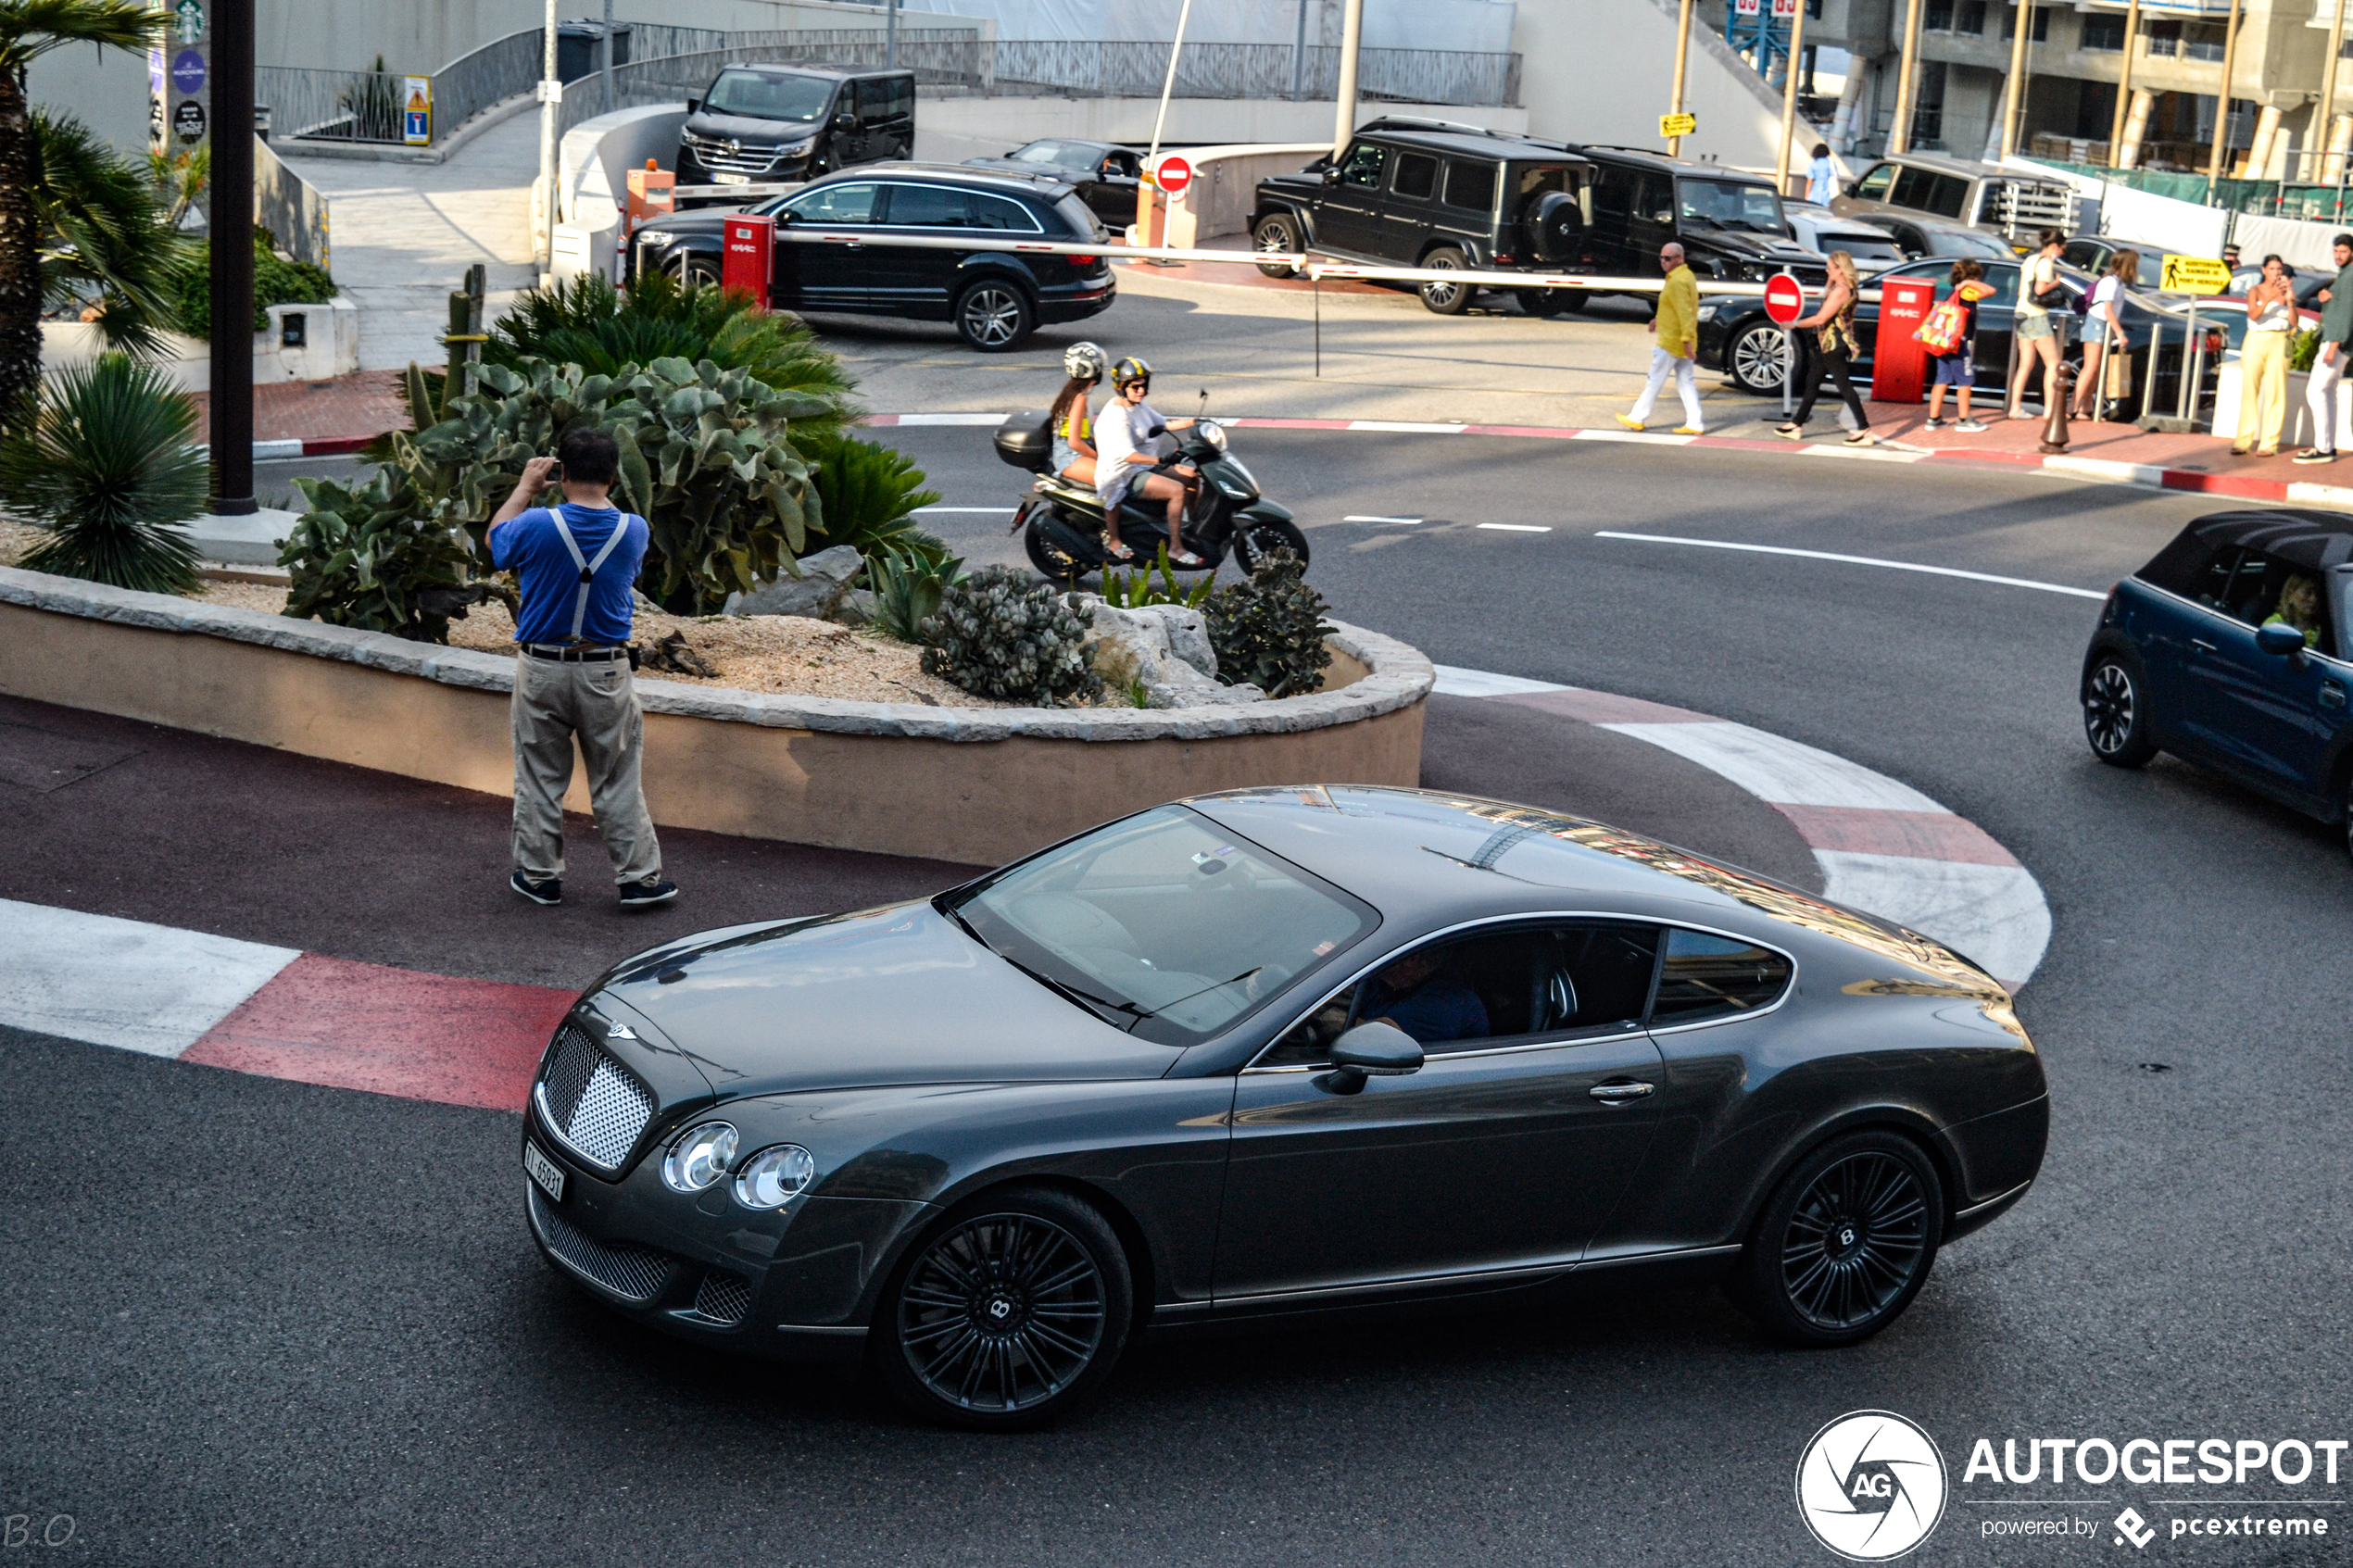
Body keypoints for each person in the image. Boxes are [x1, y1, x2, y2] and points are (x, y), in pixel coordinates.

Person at [487, 427, 675, 909]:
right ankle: (638, 879)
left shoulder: (535, 525)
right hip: (606, 668)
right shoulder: (634, 529)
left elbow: (496, 543)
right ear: (613, 476)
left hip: (543, 665)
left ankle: (540, 876)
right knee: (616, 775)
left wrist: (527, 488)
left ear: (561, 473)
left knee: (539, 774)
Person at [1093, 355, 1202, 566]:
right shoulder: (1118, 416)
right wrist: (1161, 459)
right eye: (1136, 387)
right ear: (1122, 387)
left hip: (1143, 467)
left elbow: (1163, 424)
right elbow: (1128, 455)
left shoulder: (1137, 405)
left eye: (1144, 385)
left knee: (1192, 477)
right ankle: (1175, 548)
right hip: (1123, 474)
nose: (1141, 391)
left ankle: (1193, 530)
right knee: (1176, 490)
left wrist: (1195, 422)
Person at [1776, 250, 1875, 445]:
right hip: (1830, 342)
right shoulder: (1847, 287)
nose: (1826, 270)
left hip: (1833, 344)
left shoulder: (1840, 291)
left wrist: (1793, 323)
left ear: (1839, 269)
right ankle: (1796, 424)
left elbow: (1821, 318)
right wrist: (1830, 282)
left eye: (1830, 267)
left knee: (1844, 386)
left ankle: (1863, 429)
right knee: (1813, 381)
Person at [1617, 242, 1705, 435]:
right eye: (1661, 258)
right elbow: (1675, 308)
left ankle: (1636, 418)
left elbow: (1685, 313)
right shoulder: (1685, 276)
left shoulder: (1677, 282)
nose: (1663, 262)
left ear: (1679, 258)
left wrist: (1686, 340)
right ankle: (1695, 422)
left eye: (1668, 258)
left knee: (1654, 381)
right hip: (1678, 340)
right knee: (1685, 381)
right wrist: (1658, 319)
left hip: (1672, 342)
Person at [2296, 233, 2353, 465]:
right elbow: (2340, 306)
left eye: (2343, 251)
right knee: (2326, 392)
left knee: (2316, 391)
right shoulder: (2344, 276)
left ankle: (2324, 448)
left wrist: (2334, 344)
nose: (2338, 255)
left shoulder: (2349, 277)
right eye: (2336, 251)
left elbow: (2348, 314)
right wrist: (2326, 298)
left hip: (2335, 342)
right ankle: (2326, 447)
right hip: (2335, 341)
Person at [2234, 255, 2297, 458]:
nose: (2276, 273)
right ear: (2263, 270)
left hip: (2279, 339)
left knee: (2276, 390)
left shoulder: (2286, 292)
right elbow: (2253, 314)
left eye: (2279, 269)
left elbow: (2294, 322)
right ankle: (2243, 440)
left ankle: (2269, 443)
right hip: (2255, 338)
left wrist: (2291, 303)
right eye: (2272, 269)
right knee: (2250, 389)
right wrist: (2270, 297)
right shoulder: (2255, 290)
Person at [1357, 947, 1487, 1045]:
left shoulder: (1441, 1003)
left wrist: (1339, 1021)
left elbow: (1377, 1039)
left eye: (1384, 951)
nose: (1375, 956)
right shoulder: (1387, 984)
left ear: (1411, 960)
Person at [1922, 258, 1994, 433]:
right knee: (1965, 380)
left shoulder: (1950, 293)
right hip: (1958, 343)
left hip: (1944, 343)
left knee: (1942, 379)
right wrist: (1969, 282)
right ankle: (1964, 418)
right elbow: (1991, 291)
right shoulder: (1966, 291)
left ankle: (1933, 418)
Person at [2007, 229, 2068, 422]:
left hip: (2021, 314)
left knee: (2025, 364)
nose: (2062, 254)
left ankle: (2015, 406)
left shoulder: (2030, 260)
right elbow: (2040, 289)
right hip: (2036, 316)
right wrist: (2056, 283)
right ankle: (2050, 410)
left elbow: (2021, 292)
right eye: (2062, 249)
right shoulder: (2046, 264)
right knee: (2053, 364)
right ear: (2054, 246)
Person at [2072, 248, 2137, 422]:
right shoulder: (2110, 282)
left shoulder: (2118, 282)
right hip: (2097, 323)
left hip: (2103, 324)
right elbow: (2108, 310)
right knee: (2091, 366)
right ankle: (2072, 406)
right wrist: (2120, 333)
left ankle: (2086, 407)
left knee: (2097, 368)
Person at [1048, 340, 1106, 489]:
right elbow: (1074, 442)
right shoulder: (1080, 399)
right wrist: (1098, 457)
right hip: (1070, 455)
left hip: (1069, 450)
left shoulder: (1069, 393)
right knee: (1112, 479)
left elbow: (1081, 432)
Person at [2266, 572, 2324, 647]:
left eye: (2317, 594)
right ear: (2290, 595)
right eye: (2308, 593)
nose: (2314, 599)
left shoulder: (2322, 629)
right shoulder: (2274, 625)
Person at [1806, 142, 1837, 207]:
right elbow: (1835, 177)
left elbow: (1810, 181)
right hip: (1828, 192)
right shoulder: (1831, 163)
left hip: (1815, 192)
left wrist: (1807, 195)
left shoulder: (1812, 164)